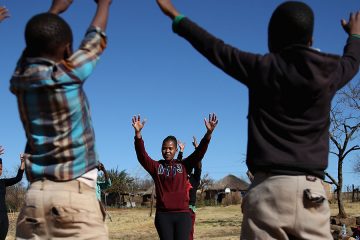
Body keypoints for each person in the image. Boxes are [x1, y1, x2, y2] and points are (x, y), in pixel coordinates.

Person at [155, 1, 360, 239]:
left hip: (267, 191)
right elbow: (353, 61)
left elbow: (215, 48)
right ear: (311, 41)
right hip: (311, 193)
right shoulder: (328, 71)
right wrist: (354, 35)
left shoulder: (261, 68)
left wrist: (176, 16)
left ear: (270, 40)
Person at [10, 0, 112, 238]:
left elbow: (33, 48)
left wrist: (53, 10)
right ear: (67, 50)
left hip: (34, 200)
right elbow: (94, 42)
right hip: (74, 198)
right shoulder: (67, 75)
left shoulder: (20, 80)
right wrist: (104, 4)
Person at [132, 113, 218, 240]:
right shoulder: (157, 167)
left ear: (176, 150)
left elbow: (199, 153)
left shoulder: (183, 165)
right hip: (163, 216)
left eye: (170, 148)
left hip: (183, 215)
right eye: (164, 148)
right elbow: (142, 156)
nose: (167, 151)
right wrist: (138, 135)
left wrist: (208, 134)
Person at [177, 137, 201, 240]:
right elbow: (177, 165)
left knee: (189, 233)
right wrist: (181, 151)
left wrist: (197, 149)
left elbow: (199, 166)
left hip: (190, 209)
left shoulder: (194, 179)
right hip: (179, 209)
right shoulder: (179, 177)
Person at [0, 146, 25, 240]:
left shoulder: (2, 183)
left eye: (1, 168)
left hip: (3, 219)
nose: (0, 170)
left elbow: (18, 178)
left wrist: (22, 162)